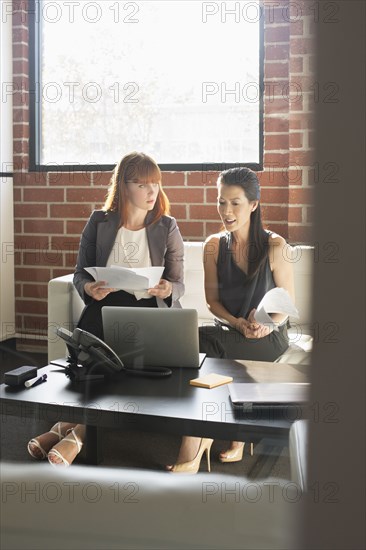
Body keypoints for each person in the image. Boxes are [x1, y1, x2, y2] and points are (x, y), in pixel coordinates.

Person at [27, 151, 184, 467]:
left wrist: (167, 288)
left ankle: (73, 433)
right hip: (105, 309)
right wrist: (88, 287)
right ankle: (67, 429)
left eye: (155, 183)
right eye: (142, 184)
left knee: (121, 372)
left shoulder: (167, 226)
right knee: (96, 371)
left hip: (149, 313)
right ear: (124, 187)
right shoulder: (99, 222)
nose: (152, 192)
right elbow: (80, 273)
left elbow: (178, 284)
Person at [167, 166, 295, 473]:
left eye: (235, 202)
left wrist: (266, 323)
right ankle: (219, 434)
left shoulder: (275, 246)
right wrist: (238, 323)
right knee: (201, 342)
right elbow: (213, 302)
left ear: (253, 205)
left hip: (270, 336)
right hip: (232, 332)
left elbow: (286, 304)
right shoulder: (213, 246)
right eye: (221, 201)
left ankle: (193, 444)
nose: (226, 210)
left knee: (201, 343)